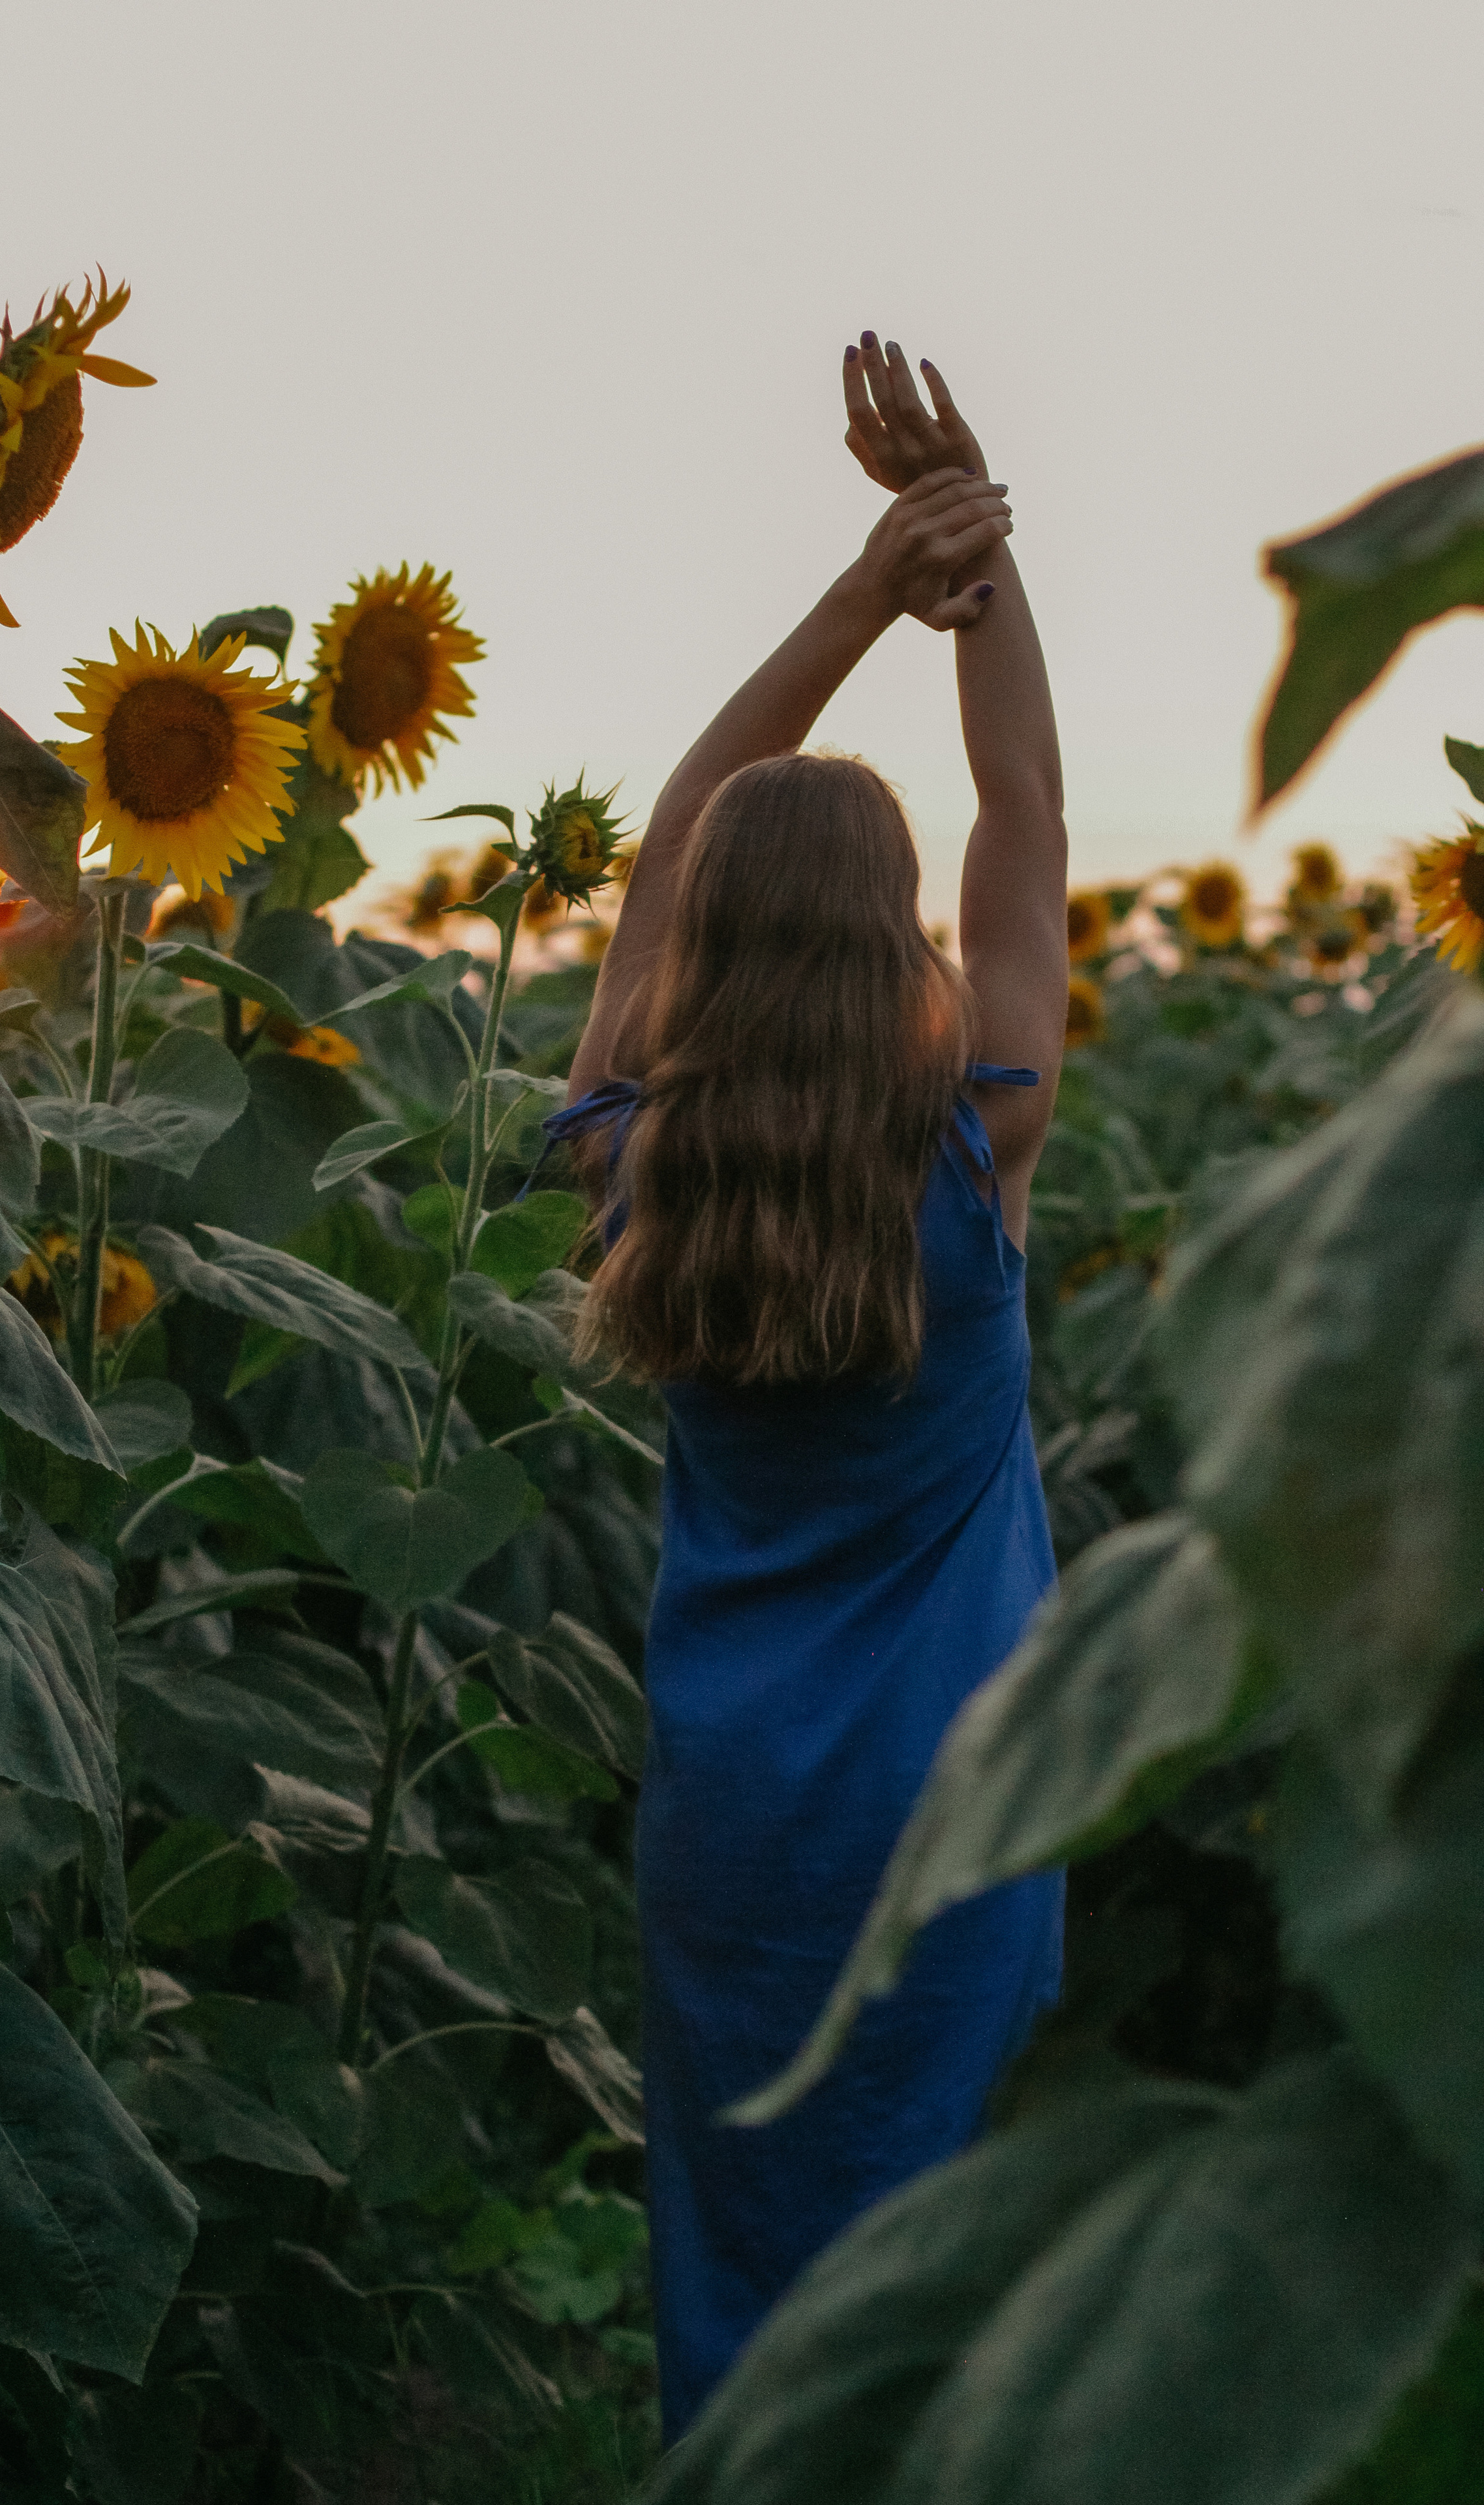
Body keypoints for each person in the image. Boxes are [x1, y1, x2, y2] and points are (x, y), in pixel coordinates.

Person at [551, 337, 1069, 2448]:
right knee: (958, 2265)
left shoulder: (629, 1165)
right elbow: (1024, 810)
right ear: (900, 954)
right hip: (960, 1803)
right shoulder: (982, 1157)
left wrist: (867, 591)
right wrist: (983, 550)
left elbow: (682, 825)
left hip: (739, 1822)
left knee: (741, 2243)